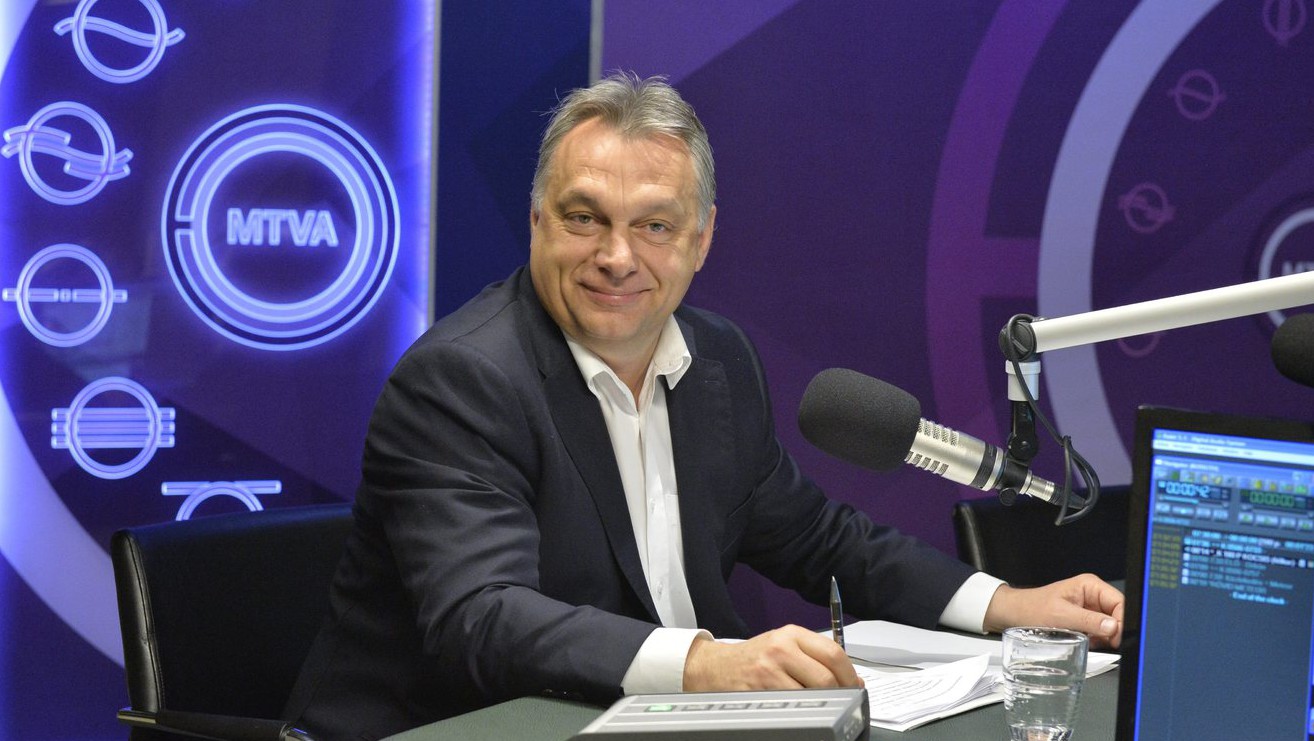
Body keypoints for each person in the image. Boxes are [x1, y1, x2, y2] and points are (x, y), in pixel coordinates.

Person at [284, 72, 1124, 740]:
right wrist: (706, 664)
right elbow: (483, 618)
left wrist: (1006, 604)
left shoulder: (717, 360)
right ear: (538, 220)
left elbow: (819, 537)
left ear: (701, 239)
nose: (618, 256)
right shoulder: (462, 381)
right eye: (585, 218)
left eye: (654, 226)